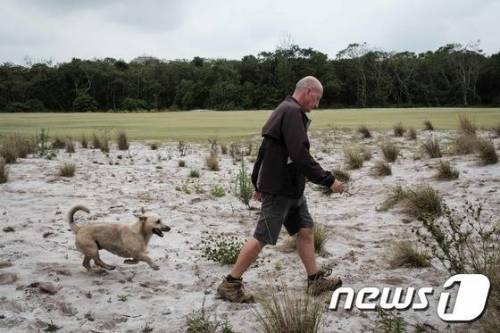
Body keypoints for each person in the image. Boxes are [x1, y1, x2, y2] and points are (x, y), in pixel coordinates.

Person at [217, 76, 344, 303]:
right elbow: (299, 155)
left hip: (292, 189)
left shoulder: (285, 109)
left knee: (305, 231)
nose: (317, 105)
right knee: (261, 238)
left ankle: (314, 281)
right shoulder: (292, 112)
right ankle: (230, 283)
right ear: (307, 91)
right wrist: (328, 180)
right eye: (317, 99)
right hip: (280, 190)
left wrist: (257, 181)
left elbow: (265, 149)